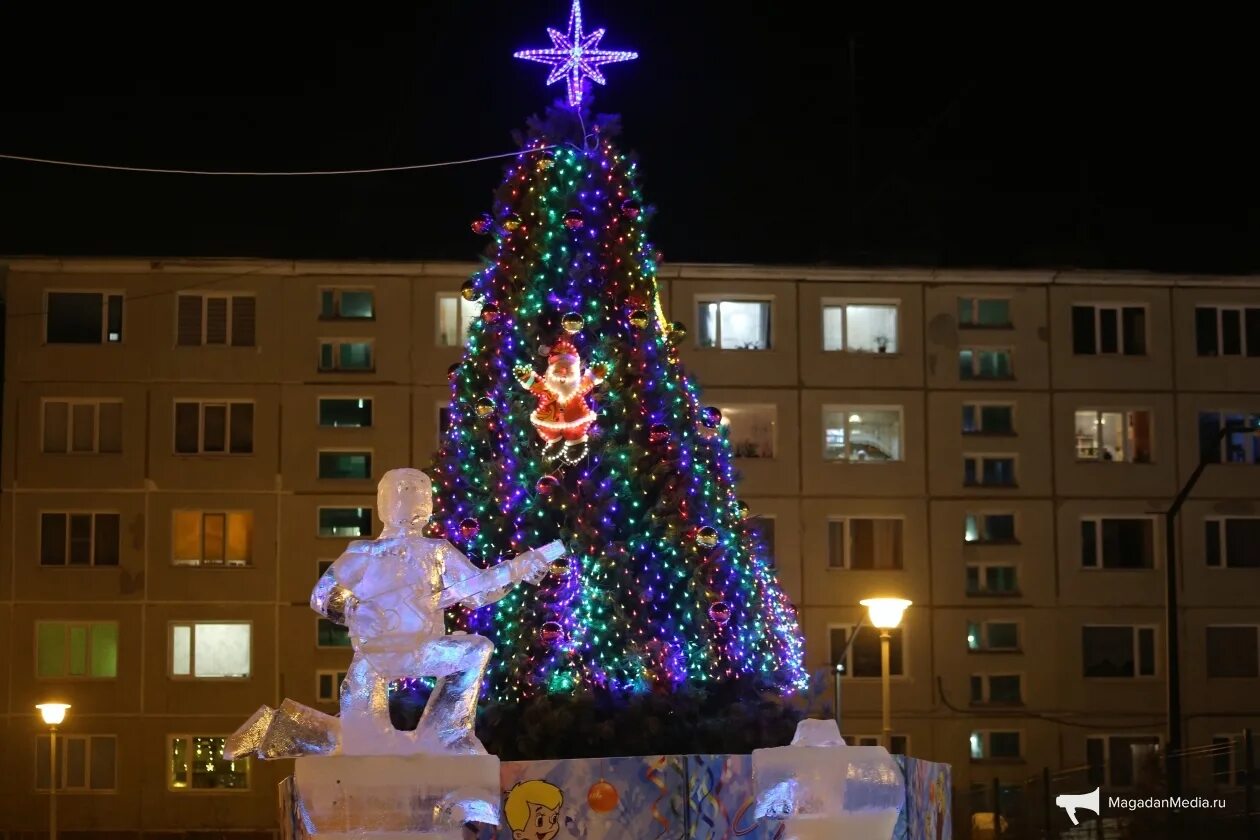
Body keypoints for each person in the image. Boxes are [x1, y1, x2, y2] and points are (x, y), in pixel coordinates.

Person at [312, 468, 563, 755]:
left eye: (419, 494)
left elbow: (479, 592)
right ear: (383, 502)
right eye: (401, 492)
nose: (410, 499)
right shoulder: (364, 553)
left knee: (475, 650)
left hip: (423, 648)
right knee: (362, 741)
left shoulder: (437, 552)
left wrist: (517, 573)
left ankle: (445, 734)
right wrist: (355, 611)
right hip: (374, 655)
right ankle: (368, 735)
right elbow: (322, 595)